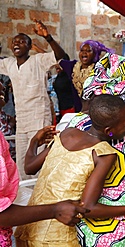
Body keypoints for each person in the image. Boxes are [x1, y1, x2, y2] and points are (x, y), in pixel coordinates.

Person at [15, 94, 125, 246]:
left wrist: (35, 141)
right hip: (56, 236)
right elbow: (88, 207)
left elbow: (29, 167)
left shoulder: (68, 133)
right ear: (109, 131)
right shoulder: (103, 153)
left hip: (29, 225)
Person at [0, 85, 88, 247]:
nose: (3, 87)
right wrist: (54, 210)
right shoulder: (65, 141)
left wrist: (34, 142)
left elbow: (29, 167)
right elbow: (30, 168)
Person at [0, 19, 67, 180]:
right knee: (23, 165)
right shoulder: (8, 64)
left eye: (22, 41)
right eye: (15, 41)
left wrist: (48, 37)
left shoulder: (38, 61)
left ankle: (38, 200)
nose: (17, 44)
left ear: (30, 47)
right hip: (22, 122)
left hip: (39, 120)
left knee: (37, 164)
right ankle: (25, 201)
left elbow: (61, 56)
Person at [59, 40, 114, 112]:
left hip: (96, 111)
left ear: (95, 54)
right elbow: (58, 57)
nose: (84, 53)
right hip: (79, 111)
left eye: (88, 51)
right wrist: (48, 38)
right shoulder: (73, 67)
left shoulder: (99, 70)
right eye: (82, 50)